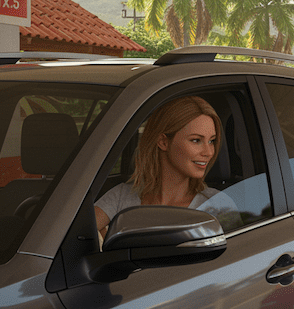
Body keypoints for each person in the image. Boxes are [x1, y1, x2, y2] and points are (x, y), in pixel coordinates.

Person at [95, 96, 226, 244]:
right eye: (196, 140)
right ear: (163, 142)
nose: (208, 152)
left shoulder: (217, 205)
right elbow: (74, 234)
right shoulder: (122, 196)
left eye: (211, 141)